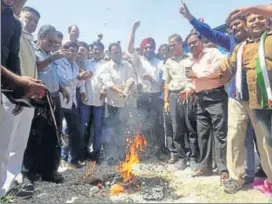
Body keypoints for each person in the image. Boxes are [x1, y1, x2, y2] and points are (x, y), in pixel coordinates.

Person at [179, 1, 266, 184]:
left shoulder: (265, 39)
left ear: (246, 23)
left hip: (261, 96)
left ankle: (264, 173)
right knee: (238, 139)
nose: (235, 27)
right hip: (237, 96)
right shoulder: (231, 42)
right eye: (232, 25)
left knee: (264, 139)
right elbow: (209, 32)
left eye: (238, 23)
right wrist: (191, 19)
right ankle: (241, 176)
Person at [220, 13, 272, 196]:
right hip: (237, 98)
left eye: (260, 18)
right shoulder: (239, 47)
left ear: (267, 20)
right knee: (234, 137)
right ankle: (236, 178)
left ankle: (271, 179)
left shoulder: (269, 40)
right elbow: (230, 69)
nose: (256, 22)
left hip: (262, 101)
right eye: (252, 20)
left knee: (265, 140)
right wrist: (222, 70)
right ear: (246, 26)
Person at [1, 4, 42, 197]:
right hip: (10, 89)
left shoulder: (18, 30)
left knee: (18, 142)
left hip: (21, 92)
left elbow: (14, 62)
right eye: (29, 18)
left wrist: (22, 92)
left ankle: (11, 182)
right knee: (5, 141)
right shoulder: (13, 24)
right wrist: (17, 86)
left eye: (35, 21)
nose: (32, 23)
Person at [181, 33, 229, 185]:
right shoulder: (190, 61)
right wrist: (189, 89)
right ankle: (205, 166)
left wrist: (198, 74)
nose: (193, 46)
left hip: (215, 97)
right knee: (203, 133)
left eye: (195, 42)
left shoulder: (213, 53)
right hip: (200, 99)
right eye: (190, 44)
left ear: (201, 41)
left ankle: (223, 169)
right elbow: (191, 80)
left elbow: (220, 69)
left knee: (220, 133)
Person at [128, 21, 165, 156]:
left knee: (156, 125)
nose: (148, 50)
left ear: (154, 49)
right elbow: (131, 48)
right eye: (146, 48)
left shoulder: (160, 63)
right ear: (142, 49)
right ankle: (144, 151)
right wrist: (133, 30)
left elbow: (162, 83)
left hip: (155, 97)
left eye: (151, 47)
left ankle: (158, 151)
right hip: (142, 96)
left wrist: (152, 79)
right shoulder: (139, 61)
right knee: (142, 124)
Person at [57, 42, 91, 168]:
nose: (72, 53)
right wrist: (78, 77)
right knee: (58, 132)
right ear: (65, 50)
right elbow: (64, 82)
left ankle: (73, 160)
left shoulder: (75, 65)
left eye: (75, 51)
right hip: (60, 102)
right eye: (70, 51)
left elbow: (76, 84)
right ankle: (59, 159)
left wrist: (83, 80)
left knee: (75, 132)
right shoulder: (59, 63)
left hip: (72, 103)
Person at [100, 42, 136, 161]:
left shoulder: (127, 65)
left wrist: (126, 90)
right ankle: (110, 155)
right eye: (115, 52)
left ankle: (121, 155)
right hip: (111, 104)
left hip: (125, 104)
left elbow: (131, 79)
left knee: (122, 129)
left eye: (119, 51)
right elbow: (108, 83)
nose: (117, 54)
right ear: (110, 53)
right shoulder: (105, 67)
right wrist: (121, 91)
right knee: (110, 129)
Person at [79, 41, 106, 164]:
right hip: (86, 100)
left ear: (102, 51)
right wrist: (83, 91)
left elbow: (107, 80)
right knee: (84, 127)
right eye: (95, 49)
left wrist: (104, 89)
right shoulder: (86, 63)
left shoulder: (106, 65)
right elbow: (83, 80)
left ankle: (96, 153)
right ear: (92, 50)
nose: (96, 51)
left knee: (98, 128)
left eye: (99, 49)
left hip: (99, 102)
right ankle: (83, 153)